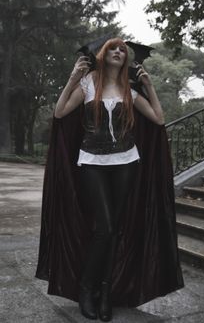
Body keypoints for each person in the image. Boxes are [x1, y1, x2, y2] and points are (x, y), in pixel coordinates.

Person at [35, 38, 184, 321]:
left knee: (115, 228)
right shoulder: (90, 81)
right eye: (113, 48)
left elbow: (158, 118)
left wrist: (149, 87)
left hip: (126, 161)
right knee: (104, 228)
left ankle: (105, 292)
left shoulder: (129, 87)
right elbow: (60, 111)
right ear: (103, 54)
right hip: (92, 160)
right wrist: (72, 78)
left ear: (126, 59)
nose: (118, 51)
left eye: (122, 50)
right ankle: (86, 287)